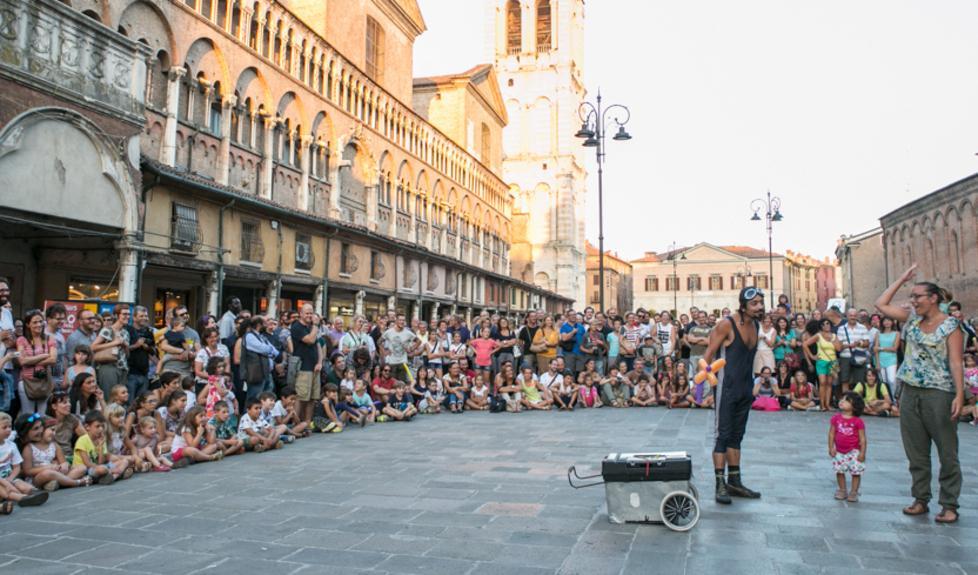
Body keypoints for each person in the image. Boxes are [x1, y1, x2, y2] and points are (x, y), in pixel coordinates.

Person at [875, 266, 964, 523]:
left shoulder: (950, 326)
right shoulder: (912, 320)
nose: (913, 301)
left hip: (939, 392)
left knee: (947, 450)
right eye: (912, 296)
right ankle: (920, 498)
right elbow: (881, 303)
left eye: (918, 296)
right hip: (910, 389)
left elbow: (956, 363)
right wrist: (902, 278)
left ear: (933, 298)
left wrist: (959, 395)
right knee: (916, 450)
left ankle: (949, 504)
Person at [703, 287, 766, 504]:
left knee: (737, 435)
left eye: (761, 302)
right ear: (743, 304)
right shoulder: (726, 324)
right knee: (723, 434)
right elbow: (708, 354)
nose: (760, 307)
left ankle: (735, 482)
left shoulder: (756, 324)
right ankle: (720, 484)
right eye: (755, 303)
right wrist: (708, 385)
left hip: (745, 387)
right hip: (726, 387)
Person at [0, 412, 50, 510]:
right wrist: (6, 483)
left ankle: (33, 493)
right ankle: (23, 498)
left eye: (10, 427)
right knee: (6, 489)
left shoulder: (11, 445)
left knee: (22, 485)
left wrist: (10, 479)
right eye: (4, 427)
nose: (8, 430)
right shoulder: (17, 443)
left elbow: (17, 466)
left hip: (9, 477)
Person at [17, 309, 58, 415]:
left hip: (44, 381)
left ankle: (41, 431)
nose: (39, 324)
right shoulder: (22, 340)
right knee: (28, 415)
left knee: (42, 414)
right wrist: (44, 356)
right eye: (35, 322)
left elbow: (53, 360)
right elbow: (22, 361)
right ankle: (29, 429)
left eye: (40, 321)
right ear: (27, 324)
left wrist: (30, 361)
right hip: (27, 382)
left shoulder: (50, 338)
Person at [829, 392, 867, 503]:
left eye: (846, 400)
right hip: (839, 451)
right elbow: (831, 434)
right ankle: (842, 489)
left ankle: (854, 491)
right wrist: (831, 447)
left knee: (856, 472)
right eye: (842, 399)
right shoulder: (835, 419)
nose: (842, 401)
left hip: (854, 451)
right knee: (839, 471)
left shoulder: (858, 422)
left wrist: (862, 453)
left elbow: (863, 439)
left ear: (854, 406)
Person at [290, 304, 322, 425]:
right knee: (301, 397)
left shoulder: (310, 327)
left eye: (311, 313)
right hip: (303, 367)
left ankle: (308, 422)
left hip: (314, 367)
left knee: (312, 397)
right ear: (301, 314)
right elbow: (310, 340)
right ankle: (296, 424)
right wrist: (315, 325)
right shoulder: (296, 326)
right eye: (307, 313)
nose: (310, 315)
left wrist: (319, 362)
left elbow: (318, 345)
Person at [91, 305, 131, 397]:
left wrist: (125, 346)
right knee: (109, 398)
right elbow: (93, 347)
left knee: (119, 399)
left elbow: (127, 355)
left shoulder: (126, 332)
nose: (127, 316)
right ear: (116, 316)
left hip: (123, 369)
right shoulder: (107, 330)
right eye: (124, 314)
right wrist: (114, 343)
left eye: (129, 314)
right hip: (108, 367)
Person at [805, 319, 841, 412]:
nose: (826, 325)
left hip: (833, 362)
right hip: (821, 361)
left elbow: (838, 349)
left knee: (829, 383)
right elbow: (805, 344)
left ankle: (827, 404)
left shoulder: (834, 336)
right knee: (822, 382)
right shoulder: (818, 335)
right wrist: (812, 356)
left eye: (828, 323)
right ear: (821, 326)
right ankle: (822, 405)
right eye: (823, 324)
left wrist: (834, 341)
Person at [126, 306, 156, 398]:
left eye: (146, 316)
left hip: (144, 373)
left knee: (141, 403)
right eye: (141, 316)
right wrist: (136, 345)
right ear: (134, 317)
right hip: (130, 373)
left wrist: (147, 348)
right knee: (130, 402)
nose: (144, 318)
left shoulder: (149, 332)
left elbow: (153, 351)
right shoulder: (127, 330)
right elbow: (123, 349)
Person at [838, 310, 871, 394]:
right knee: (845, 380)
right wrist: (850, 345)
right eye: (851, 315)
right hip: (845, 357)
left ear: (857, 316)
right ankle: (846, 400)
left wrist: (859, 343)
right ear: (847, 316)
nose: (853, 317)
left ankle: (857, 402)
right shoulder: (841, 328)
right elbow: (839, 346)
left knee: (859, 381)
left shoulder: (862, 327)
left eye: (854, 315)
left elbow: (867, 343)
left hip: (859, 357)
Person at [380, 314, 420, 383]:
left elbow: (419, 341)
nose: (402, 322)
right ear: (396, 321)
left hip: (403, 363)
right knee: (392, 384)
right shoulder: (389, 332)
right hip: (392, 362)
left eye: (403, 320)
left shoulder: (408, 332)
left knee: (402, 384)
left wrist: (411, 349)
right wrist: (384, 352)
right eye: (400, 320)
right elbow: (379, 342)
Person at [875, 316, 901, 402]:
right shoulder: (878, 334)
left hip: (891, 360)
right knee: (883, 381)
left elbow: (894, 348)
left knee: (891, 380)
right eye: (885, 321)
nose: (887, 322)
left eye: (889, 320)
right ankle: (887, 401)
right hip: (880, 360)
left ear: (892, 322)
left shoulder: (897, 333)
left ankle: (895, 400)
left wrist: (881, 348)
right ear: (882, 322)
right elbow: (875, 349)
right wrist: (877, 363)